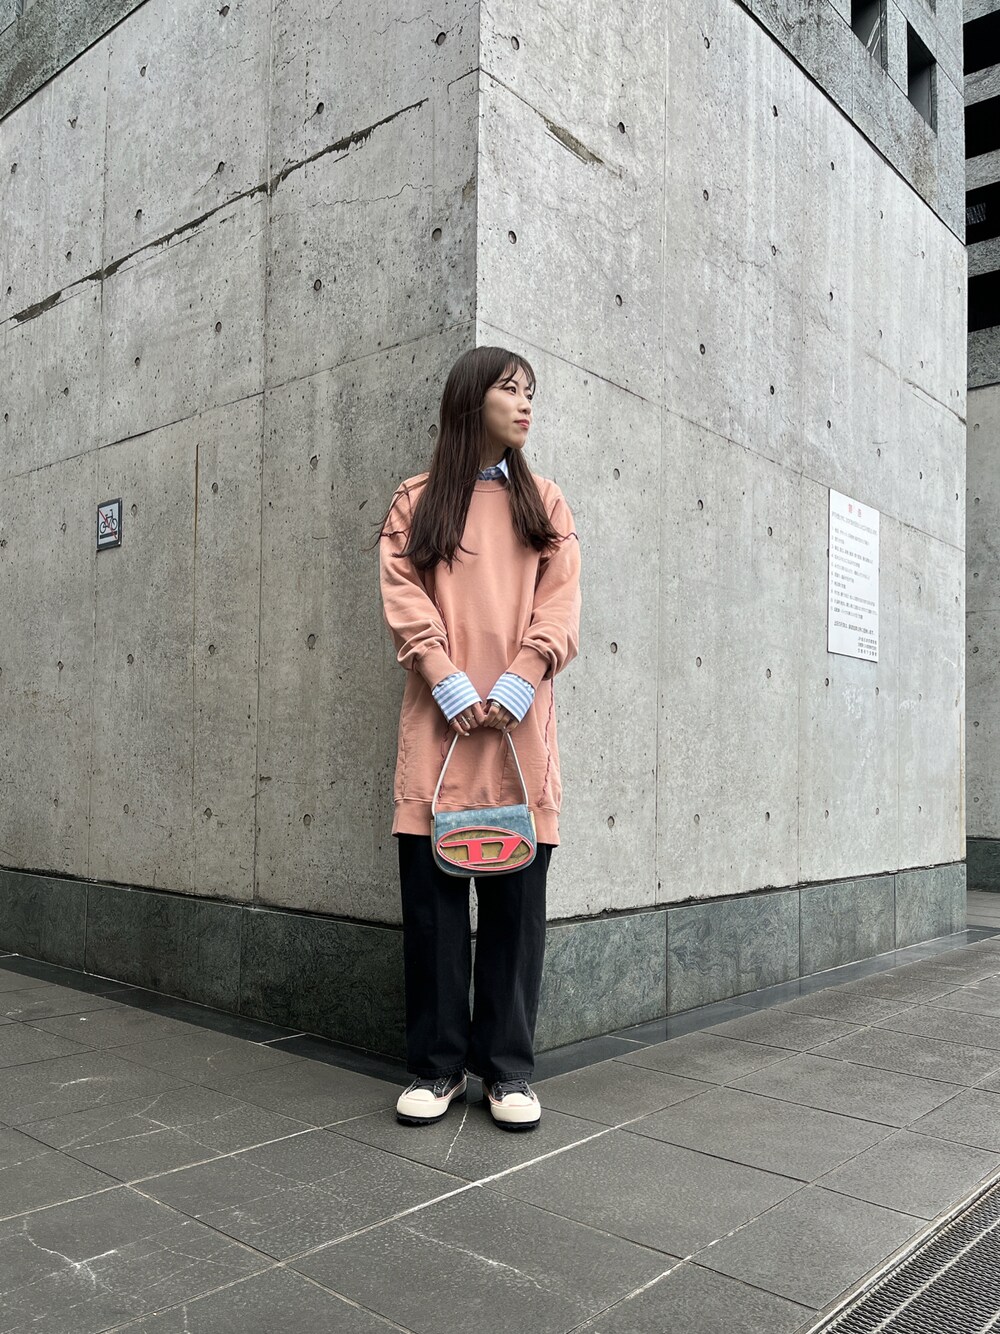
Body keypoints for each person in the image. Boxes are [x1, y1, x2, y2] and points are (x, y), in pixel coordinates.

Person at [377, 345, 581, 1131]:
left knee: (514, 914)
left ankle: (507, 1071)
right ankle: (436, 1068)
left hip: (521, 738)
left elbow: (560, 605)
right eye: (510, 390)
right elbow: (401, 592)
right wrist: (445, 675)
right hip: (440, 733)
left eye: (531, 392)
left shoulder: (545, 503)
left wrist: (523, 675)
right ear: (471, 400)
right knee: (433, 915)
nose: (526, 405)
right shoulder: (417, 500)